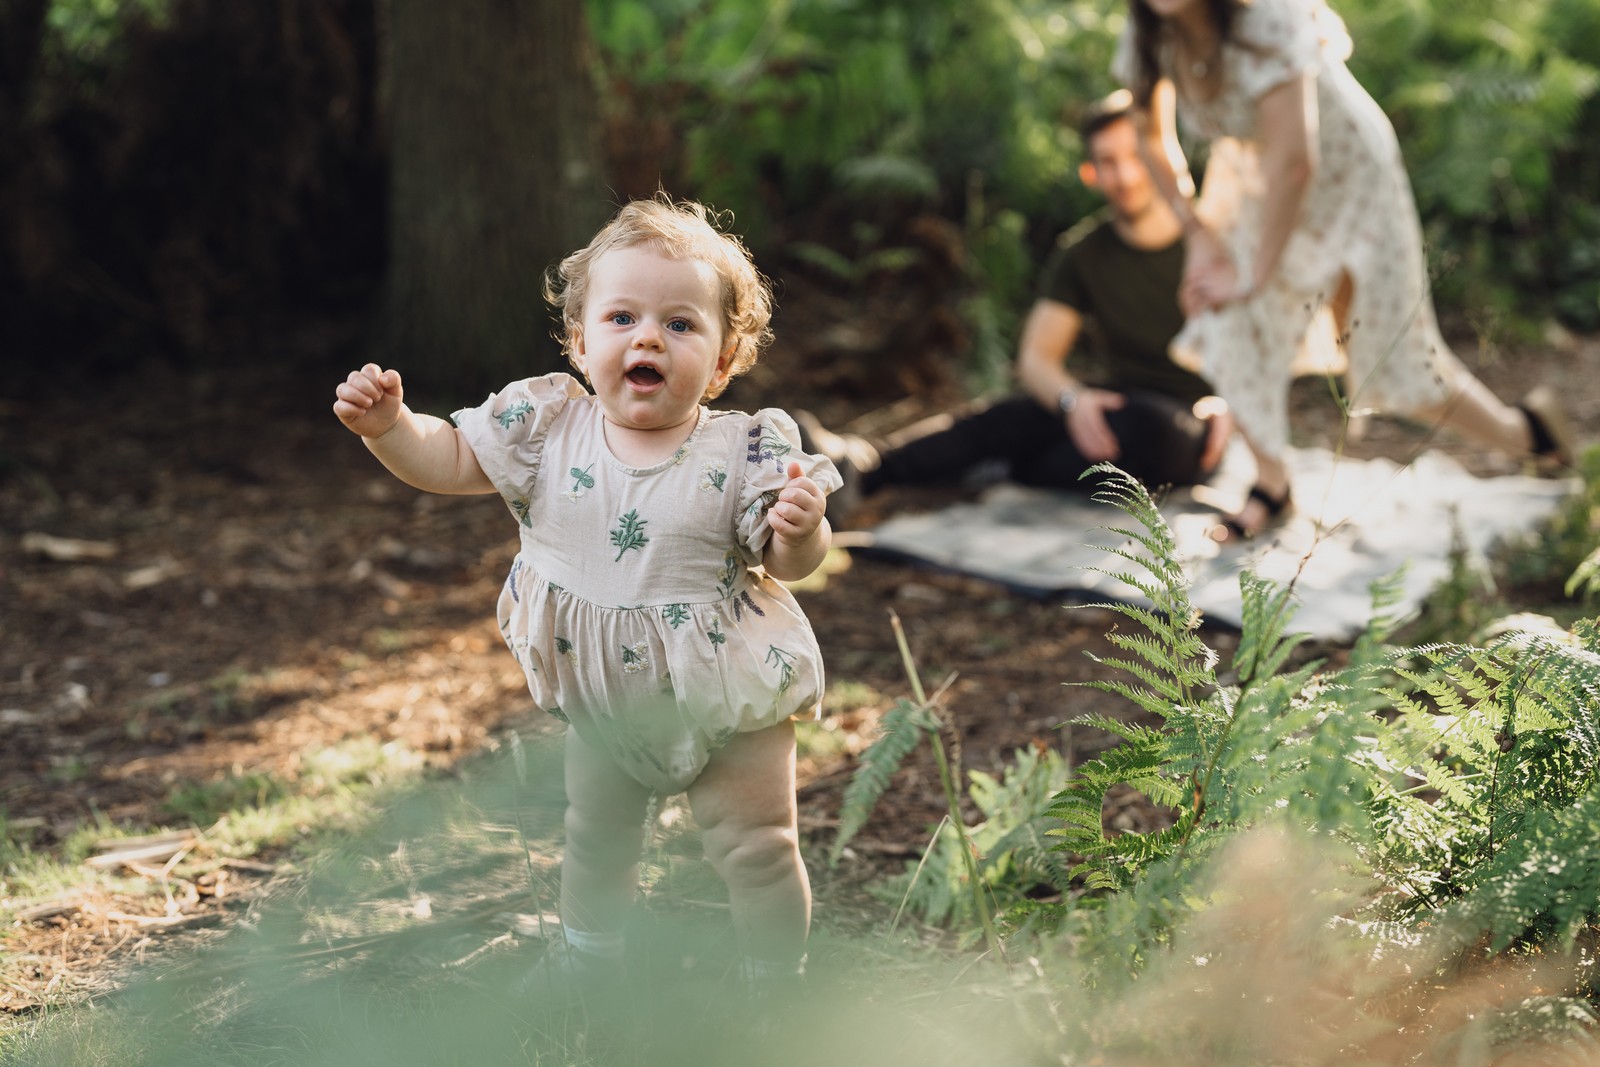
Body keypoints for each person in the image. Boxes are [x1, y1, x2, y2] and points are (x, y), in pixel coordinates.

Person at [332, 196, 840, 997]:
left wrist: (802, 525)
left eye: (680, 324)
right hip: (604, 694)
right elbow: (451, 459)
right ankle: (587, 959)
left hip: (725, 692)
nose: (648, 336)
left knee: (758, 845)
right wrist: (392, 428)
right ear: (579, 340)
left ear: (722, 360)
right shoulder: (547, 430)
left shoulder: (741, 450)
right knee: (594, 839)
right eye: (623, 317)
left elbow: (791, 558)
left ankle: (777, 978)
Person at [1118, 0, 1575, 537]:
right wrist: (1199, 238)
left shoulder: (1266, 13)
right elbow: (1148, 136)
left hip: (1347, 175)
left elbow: (1298, 160)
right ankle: (1272, 484)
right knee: (1224, 316)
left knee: (1392, 361)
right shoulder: (1148, 32)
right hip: (1254, 180)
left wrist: (1254, 276)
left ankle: (1528, 434)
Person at [800, 92, 1233, 519]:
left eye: (1134, 156)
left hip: (1194, 422)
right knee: (1010, 415)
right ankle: (859, 471)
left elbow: (1266, 338)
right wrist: (1074, 401)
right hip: (1117, 405)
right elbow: (1037, 358)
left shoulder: (1215, 238)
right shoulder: (1083, 253)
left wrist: (1233, 404)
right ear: (1091, 174)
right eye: (1108, 162)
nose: (1125, 175)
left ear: (1160, 156)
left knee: (1157, 430)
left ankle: (1006, 463)